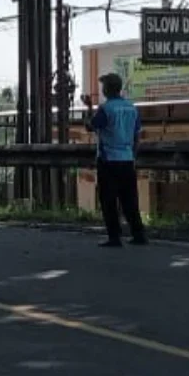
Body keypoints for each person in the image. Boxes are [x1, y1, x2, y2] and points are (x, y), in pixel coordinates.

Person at [85, 73, 147, 247]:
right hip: (127, 159)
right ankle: (138, 233)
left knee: (108, 199)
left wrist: (89, 107)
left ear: (107, 89)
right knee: (130, 199)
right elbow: (137, 136)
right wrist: (133, 156)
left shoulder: (106, 109)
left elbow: (90, 126)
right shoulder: (132, 108)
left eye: (103, 86)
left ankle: (114, 236)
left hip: (108, 160)